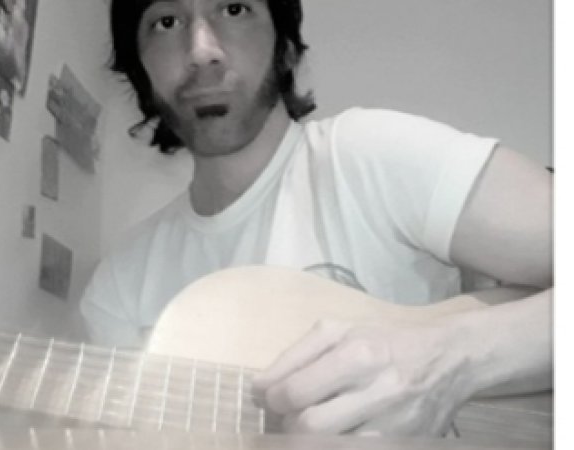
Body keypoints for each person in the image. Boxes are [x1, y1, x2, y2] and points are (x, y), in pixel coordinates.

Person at [78, 0, 552, 437]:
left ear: (284, 48)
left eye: (234, 9)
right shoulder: (121, 286)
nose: (201, 51)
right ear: (142, 72)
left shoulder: (371, 157)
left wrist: (451, 361)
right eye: (166, 22)